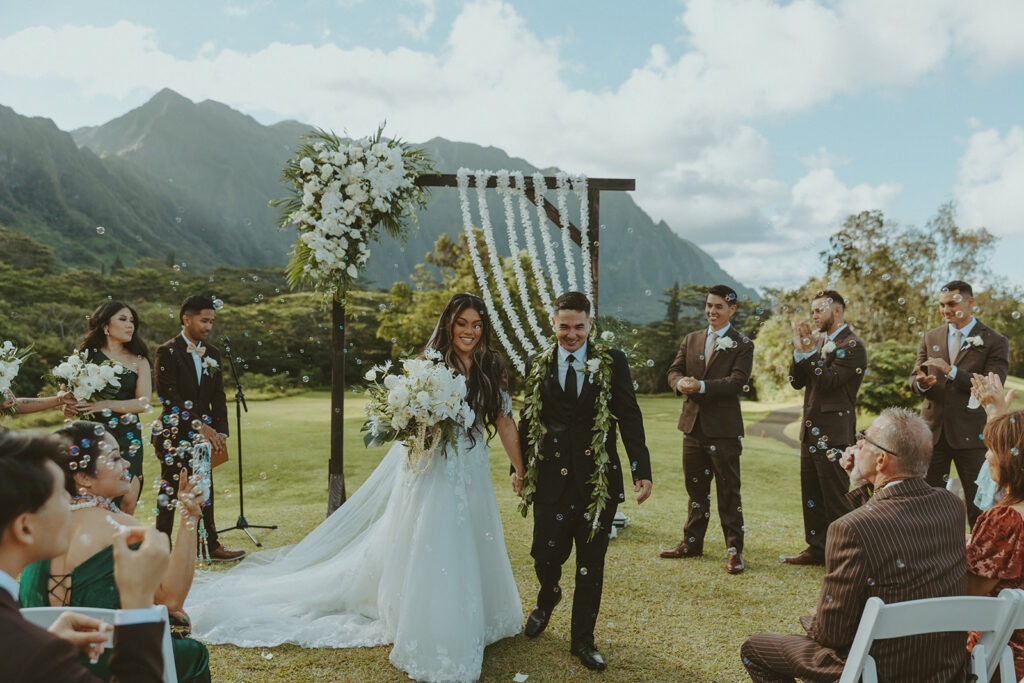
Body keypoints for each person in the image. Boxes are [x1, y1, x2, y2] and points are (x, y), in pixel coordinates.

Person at [184, 292, 525, 683]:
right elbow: (410, 426)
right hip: (432, 468)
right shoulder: (426, 364)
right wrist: (425, 420)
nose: (469, 331)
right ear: (449, 324)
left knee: (474, 538)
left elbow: (504, 421)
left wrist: (520, 469)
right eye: (462, 323)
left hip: (472, 467)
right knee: (439, 540)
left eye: (477, 325)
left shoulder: (491, 364)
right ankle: (435, 620)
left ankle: (481, 615)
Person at [741, 408, 968, 682]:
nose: (857, 444)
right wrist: (860, 480)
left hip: (875, 671)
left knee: (754, 648)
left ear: (882, 459)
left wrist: (814, 619)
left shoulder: (849, 529)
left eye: (865, 438)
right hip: (941, 668)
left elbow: (833, 635)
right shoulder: (951, 506)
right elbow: (889, 524)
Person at [518, 291, 653, 671]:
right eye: (564, 326)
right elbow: (528, 418)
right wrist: (518, 468)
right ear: (553, 324)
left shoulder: (613, 361)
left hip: (597, 481)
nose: (572, 334)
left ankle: (583, 640)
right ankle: (548, 597)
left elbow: (629, 415)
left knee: (590, 564)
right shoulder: (536, 362)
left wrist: (641, 469)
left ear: (591, 324)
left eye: (579, 326)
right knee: (544, 555)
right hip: (549, 479)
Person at [19, 421, 211, 683]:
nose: (127, 464)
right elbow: (172, 599)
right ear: (83, 477)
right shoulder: (121, 527)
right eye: (115, 458)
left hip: (45, 665)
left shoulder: (35, 528)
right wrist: (190, 517)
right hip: (111, 666)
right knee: (194, 653)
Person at [0, 428, 170, 683]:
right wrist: (138, 604)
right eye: (60, 494)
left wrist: (47, 639)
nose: (71, 500)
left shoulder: (27, 645)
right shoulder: (29, 652)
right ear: (25, 527)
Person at [661, 284, 753, 574]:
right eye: (709, 305)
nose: (712, 311)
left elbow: (738, 381)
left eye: (719, 307)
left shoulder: (743, 343)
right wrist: (679, 383)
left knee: (729, 491)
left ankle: (734, 551)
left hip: (724, 430)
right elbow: (673, 370)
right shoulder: (691, 339)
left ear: (732, 309)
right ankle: (692, 542)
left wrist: (700, 385)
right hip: (692, 427)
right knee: (695, 489)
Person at [910, 280, 1009, 528]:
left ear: (970, 302)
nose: (946, 310)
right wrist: (921, 383)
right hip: (933, 433)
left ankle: (981, 560)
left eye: (952, 304)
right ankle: (928, 556)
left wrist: (952, 371)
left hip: (972, 434)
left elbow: (993, 383)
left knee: (980, 504)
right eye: (942, 305)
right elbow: (914, 377)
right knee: (926, 502)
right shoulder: (930, 336)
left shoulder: (995, 340)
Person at [153, 295, 244, 562]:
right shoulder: (166, 351)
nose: (208, 326)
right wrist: (199, 425)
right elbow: (169, 398)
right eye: (204, 320)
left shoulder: (213, 353)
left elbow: (218, 396)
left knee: (205, 489)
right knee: (170, 490)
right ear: (186, 319)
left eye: (211, 322)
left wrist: (221, 432)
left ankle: (209, 545)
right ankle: (161, 548)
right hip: (174, 434)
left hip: (204, 438)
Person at [782, 290, 867, 566]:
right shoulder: (817, 343)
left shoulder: (853, 346)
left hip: (834, 430)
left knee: (835, 497)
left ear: (837, 311)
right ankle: (817, 548)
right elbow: (797, 381)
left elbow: (830, 381)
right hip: (811, 429)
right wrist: (799, 352)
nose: (814, 315)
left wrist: (808, 353)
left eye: (820, 310)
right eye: (813, 310)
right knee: (812, 495)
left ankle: (845, 554)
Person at [66, 301, 153, 514]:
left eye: (132, 321)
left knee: (128, 501)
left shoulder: (139, 361)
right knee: (94, 499)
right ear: (106, 325)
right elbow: (67, 398)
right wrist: (67, 407)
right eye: (122, 320)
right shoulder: (84, 358)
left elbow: (144, 403)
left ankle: (124, 544)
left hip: (127, 434)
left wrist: (105, 404)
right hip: (92, 437)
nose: (130, 325)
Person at [965, 373, 1024, 680]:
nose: (987, 455)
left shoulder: (1005, 520)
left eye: (992, 449)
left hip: (1000, 650)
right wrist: (996, 414)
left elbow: (970, 590)